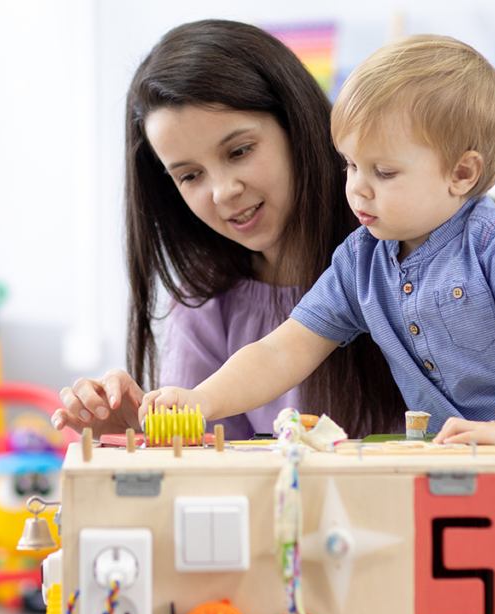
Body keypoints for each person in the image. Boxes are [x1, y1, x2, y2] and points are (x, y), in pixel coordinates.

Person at [144, 35, 495, 614]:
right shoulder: (360, 259)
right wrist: (201, 401)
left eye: (382, 173)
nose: (358, 191)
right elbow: (284, 349)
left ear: (462, 175)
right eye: (349, 167)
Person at [51, 19, 405, 441]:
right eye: (189, 176)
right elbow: (214, 472)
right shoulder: (208, 300)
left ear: (297, 125)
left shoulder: (406, 257)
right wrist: (145, 430)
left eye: (239, 151)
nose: (223, 192)